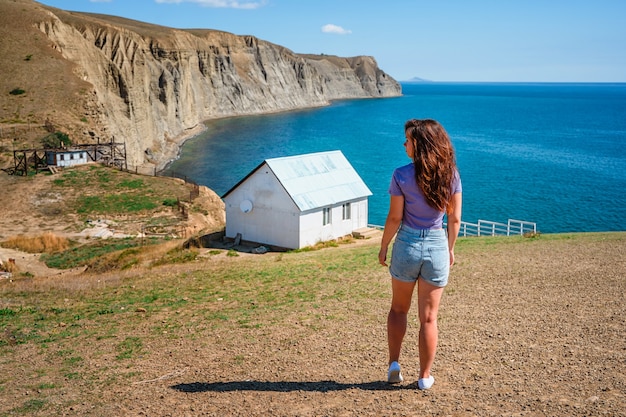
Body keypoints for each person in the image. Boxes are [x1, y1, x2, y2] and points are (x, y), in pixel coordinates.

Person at [378, 118, 462, 390]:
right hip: (437, 246)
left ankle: (394, 364)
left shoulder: (401, 175)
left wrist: (383, 247)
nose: (404, 144)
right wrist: (449, 249)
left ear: (420, 144)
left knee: (398, 309)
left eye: (408, 140)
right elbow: (455, 219)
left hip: (407, 247)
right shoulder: (451, 175)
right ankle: (425, 377)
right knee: (428, 318)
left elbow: (394, 218)